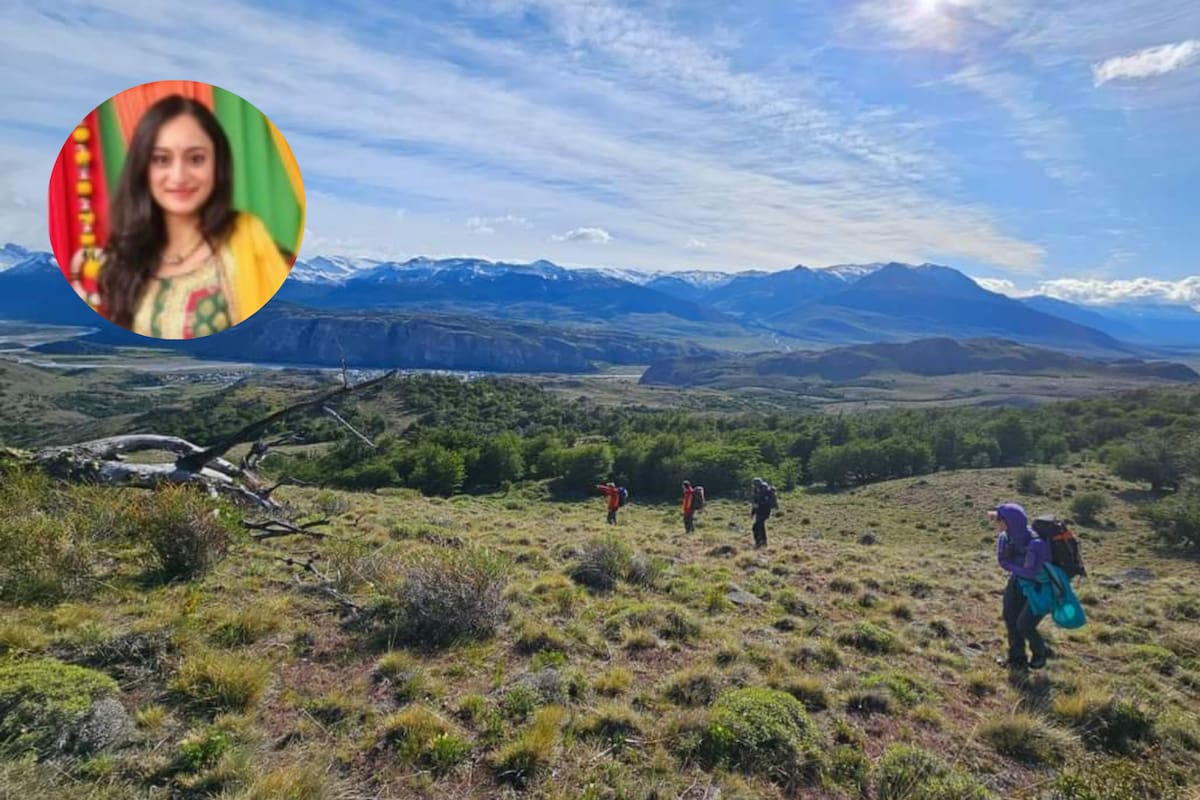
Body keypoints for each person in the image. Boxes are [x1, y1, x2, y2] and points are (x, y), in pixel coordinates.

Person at [72, 94, 291, 339]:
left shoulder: (249, 240)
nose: (179, 176)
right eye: (162, 159)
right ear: (143, 168)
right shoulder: (125, 258)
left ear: (218, 165)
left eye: (196, 159)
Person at [993, 503, 1052, 670]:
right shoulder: (1005, 537)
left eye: (1000, 520)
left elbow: (1031, 572)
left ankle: (1040, 653)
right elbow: (1002, 561)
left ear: (1011, 521)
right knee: (1010, 619)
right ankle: (1017, 659)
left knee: (1024, 625)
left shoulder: (1036, 543)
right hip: (1017, 582)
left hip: (1040, 587)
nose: (997, 524)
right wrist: (1016, 567)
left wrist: (1011, 565)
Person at [750, 477, 775, 548]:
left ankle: (759, 542)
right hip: (759, 512)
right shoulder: (756, 491)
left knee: (755, 527)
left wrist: (759, 504)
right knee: (760, 527)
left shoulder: (765, 490)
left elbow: (766, 503)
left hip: (764, 512)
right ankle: (762, 542)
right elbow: (755, 503)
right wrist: (752, 513)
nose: (754, 486)